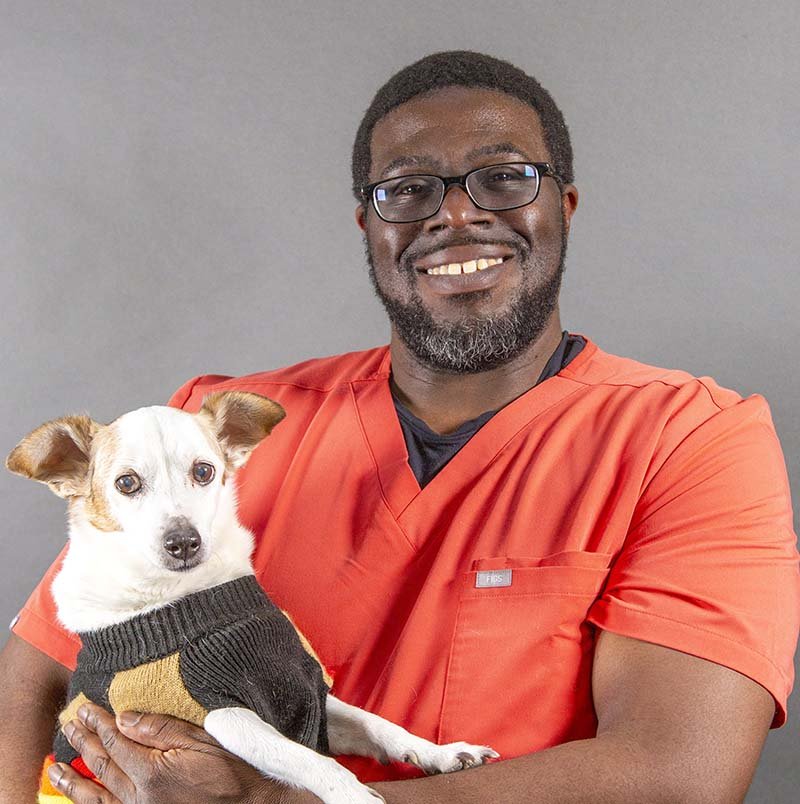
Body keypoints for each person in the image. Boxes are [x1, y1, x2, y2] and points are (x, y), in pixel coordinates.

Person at [1, 50, 798, 804]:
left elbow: (678, 774)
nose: (455, 214)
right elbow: (36, 674)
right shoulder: (209, 430)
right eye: (408, 190)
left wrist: (282, 801)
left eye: (504, 177)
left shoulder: (691, 439)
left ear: (565, 206)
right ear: (370, 229)